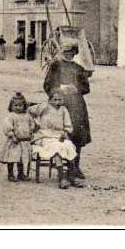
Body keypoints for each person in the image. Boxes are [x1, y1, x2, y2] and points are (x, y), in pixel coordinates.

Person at [43, 39, 92, 183]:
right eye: (65, 52)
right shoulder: (55, 67)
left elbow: (86, 88)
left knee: (77, 133)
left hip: (76, 105)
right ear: (61, 52)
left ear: (75, 54)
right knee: (61, 133)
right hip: (60, 104)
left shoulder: (78, 68)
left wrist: (76, 89)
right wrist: (59, 89)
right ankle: (61, 166)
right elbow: (47, 85)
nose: (68, 55)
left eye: (71, 53)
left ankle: (75, 166)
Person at [29, 89, 78, 189]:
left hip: (58, 135)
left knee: (69, 146)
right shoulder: (44, 106)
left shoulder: (63, 110)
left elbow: (68, 126)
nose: (57, 102)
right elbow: (29, 110)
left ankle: (71, 176)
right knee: (55, 148)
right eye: (55, 100)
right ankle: (61, 177)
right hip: (44, 135)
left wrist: (65, 132)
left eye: (60, 100)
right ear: (50, 100)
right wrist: (34, 124)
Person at [0, 92, 34, 182]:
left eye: (20, 105)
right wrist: (12, 135)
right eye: (16, 105)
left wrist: (31, 132)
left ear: (24, 106)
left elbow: (31, 125)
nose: (18, 107)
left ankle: (21, 174)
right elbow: (7, 127)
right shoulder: (11, 116)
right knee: (12, 158)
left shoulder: (27, 116)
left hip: (24, 140)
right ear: (11, 106)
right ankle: (10, 174)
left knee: (22, 158)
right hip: (15, 141)